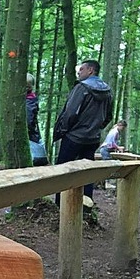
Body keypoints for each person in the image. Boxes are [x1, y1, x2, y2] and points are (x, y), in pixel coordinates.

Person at [53, 59, 113, 205]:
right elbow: (108, 116)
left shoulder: (82, 88)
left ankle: (60, 205)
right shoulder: (108, 90)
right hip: (93, 139)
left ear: (90, 70)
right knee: (87, 173)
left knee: (62, 170)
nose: (79, 72)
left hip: (74, 137)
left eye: (81, 69)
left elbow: (70, 113)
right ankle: (86, 205)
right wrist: (96, 128)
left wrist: (64, 130)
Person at [26, 73, 48, 166]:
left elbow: (29, 122)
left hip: (31, 139)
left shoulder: (28, 102)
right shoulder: (32, 99)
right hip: (34, 138)